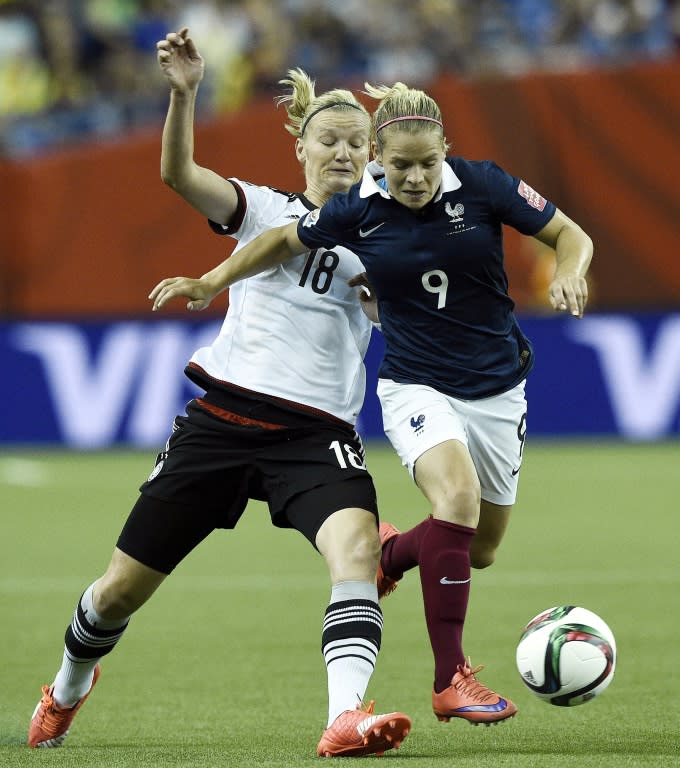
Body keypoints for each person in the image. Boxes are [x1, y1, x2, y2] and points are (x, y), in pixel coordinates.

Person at [151, 81, 593, 726]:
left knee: (480, 547)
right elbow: (281, 240)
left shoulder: (487, 185)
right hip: (417, 382)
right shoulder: (358, 205)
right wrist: (215, 279)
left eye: (427, 162)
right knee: (457, 502)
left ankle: (391, 556)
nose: (414, 177)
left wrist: (568, 269)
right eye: (399, 164)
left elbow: (570, 234)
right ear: (379, 158)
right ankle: (452, 681)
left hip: (498, 385)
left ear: (447, 149)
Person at [27, 29, 412, 758]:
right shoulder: (263, 211)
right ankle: (68, 686)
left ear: (373, 159)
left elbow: (416, 322)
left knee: (357, 554)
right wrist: (184, 92)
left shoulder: (390, 242)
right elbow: (178, 174)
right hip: (222, 423)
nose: (341, 153)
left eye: (356, 145)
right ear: (300, 145)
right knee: (116, 594)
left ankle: (345, 718)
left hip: (315, 435)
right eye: (328, 139)